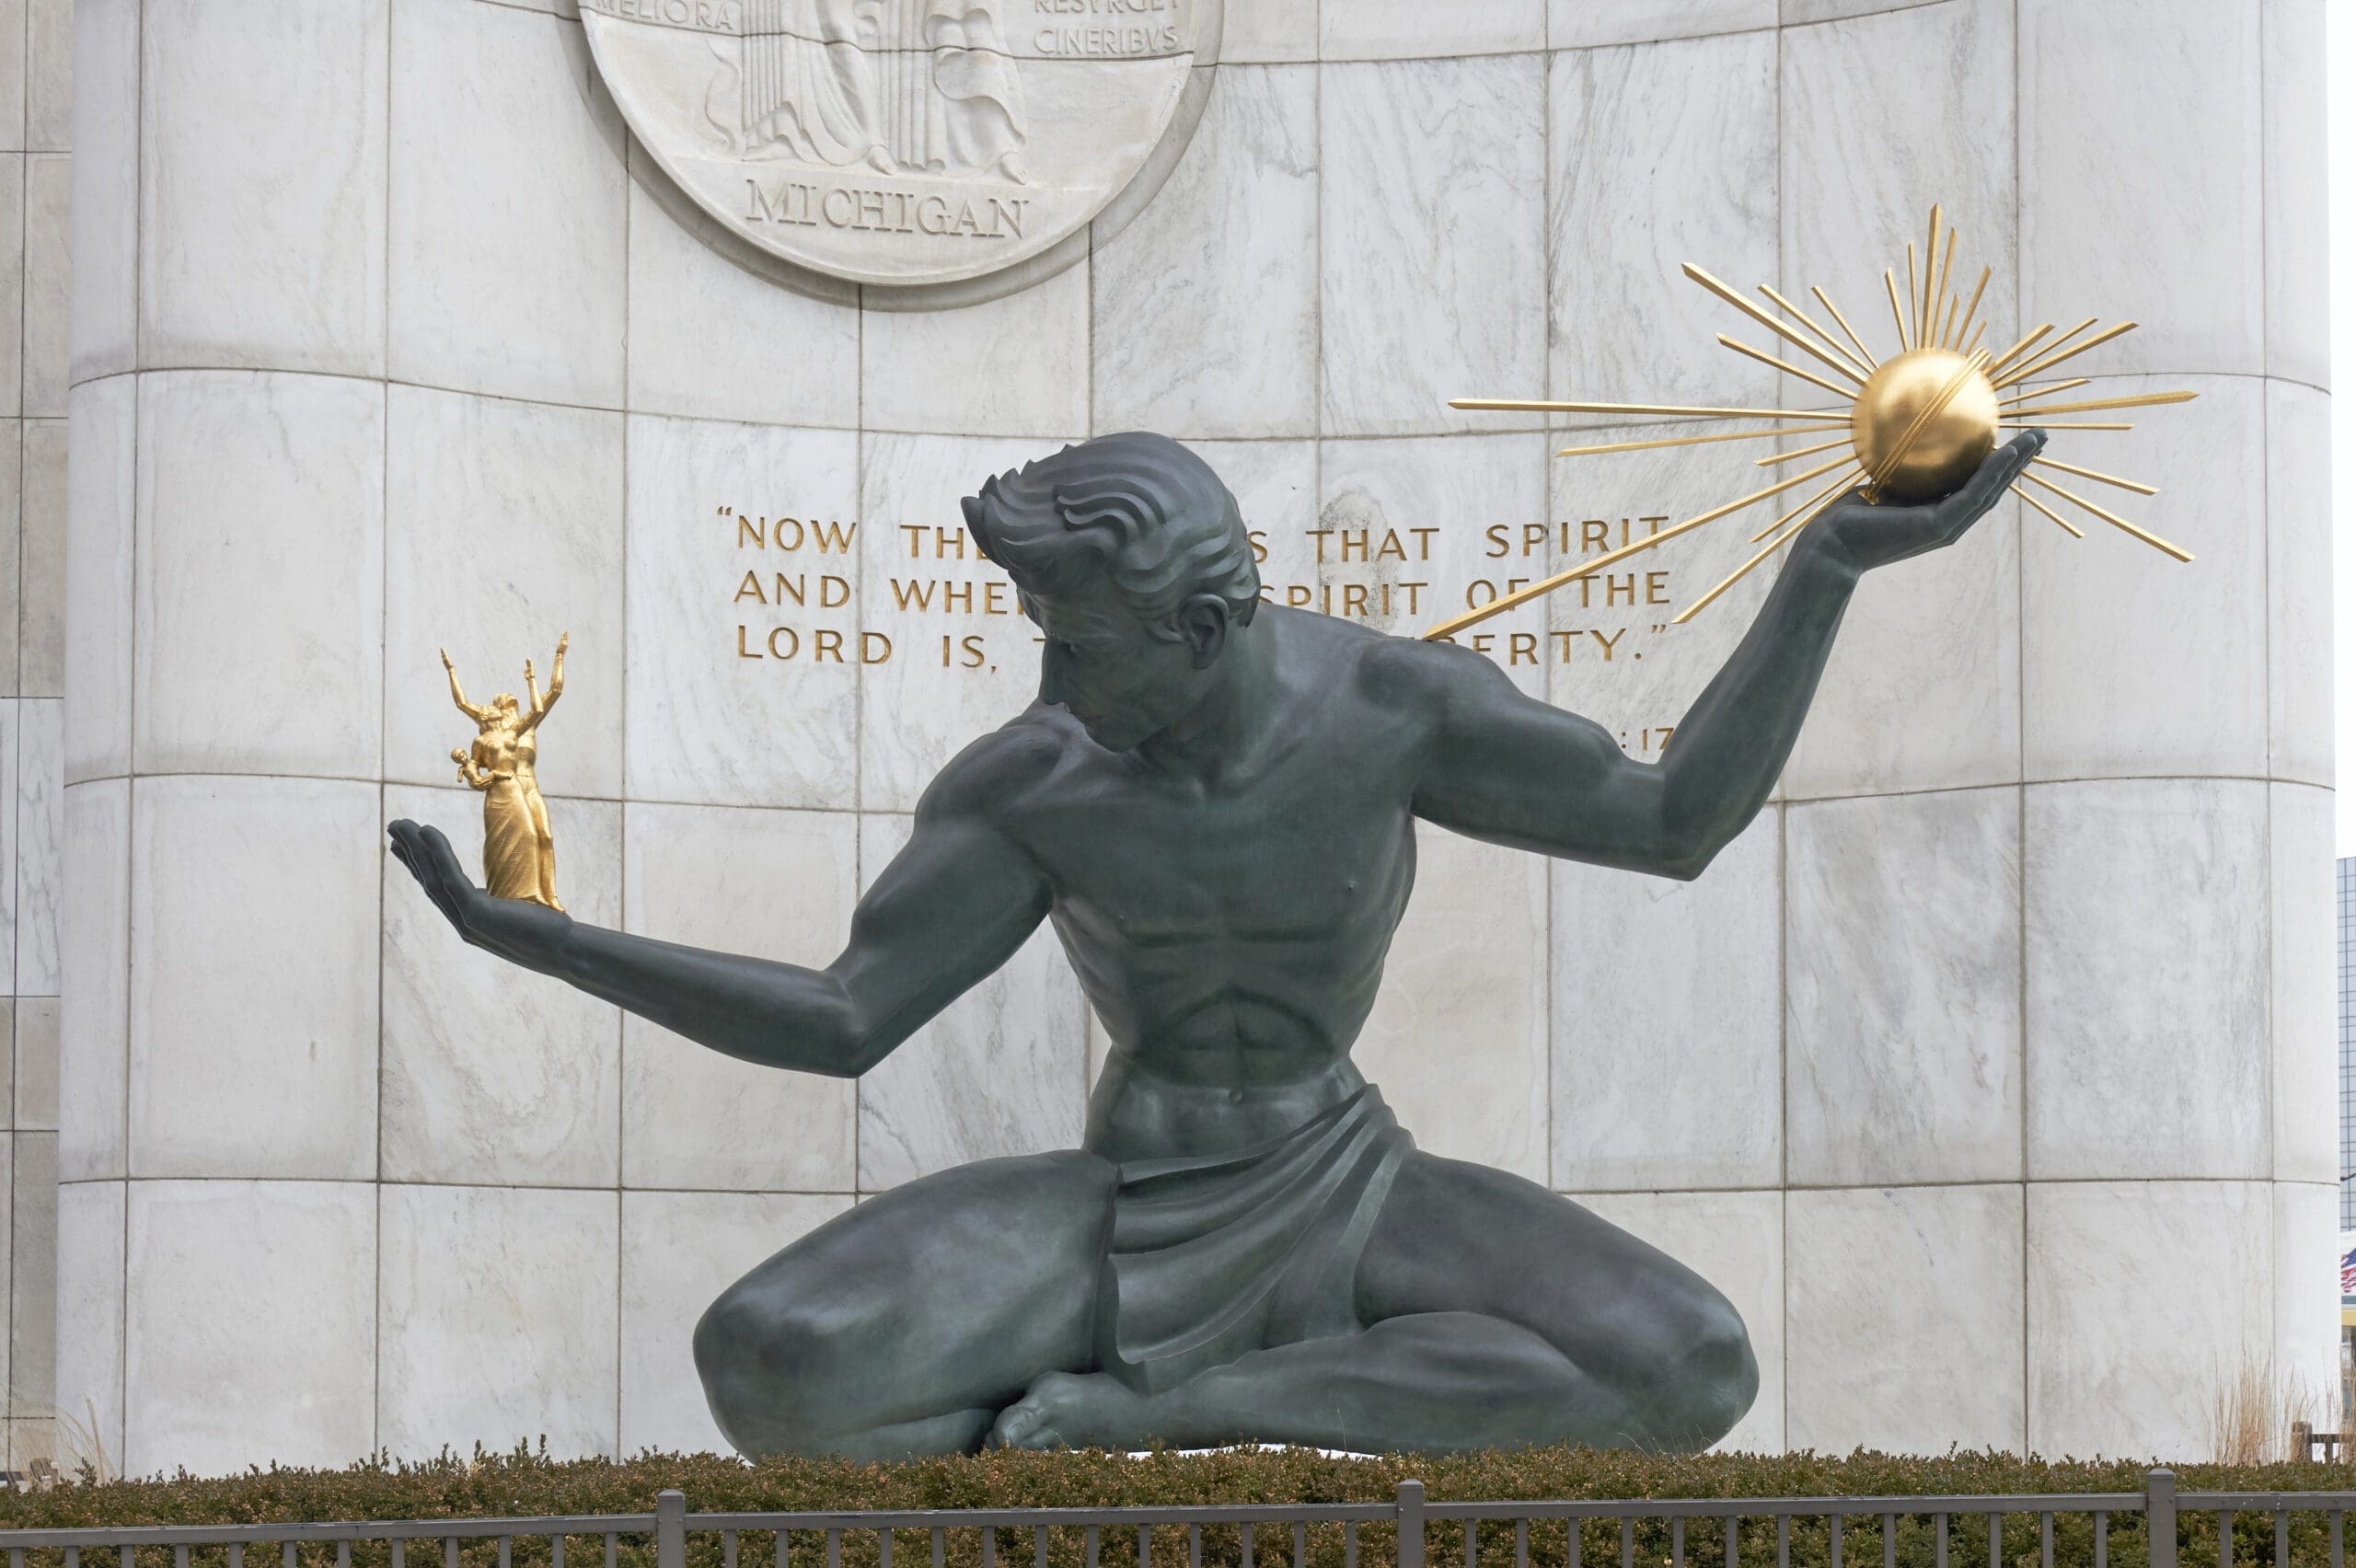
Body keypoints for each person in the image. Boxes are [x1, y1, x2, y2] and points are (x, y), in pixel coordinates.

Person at [390, 429, 2042, 1458]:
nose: (1044, 676)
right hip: (1127, 1199)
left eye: (1073, 636)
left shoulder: (1396, 711)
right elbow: (843, 1017)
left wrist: (1828, 567)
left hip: (1351, 1181)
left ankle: (1180, 1408)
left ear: (1199, 627)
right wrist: (537, 937)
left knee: (1689, 1363)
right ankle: (1206, 1386)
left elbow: (1674, 819)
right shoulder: (1034, 782)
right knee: (770, 1362)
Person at [442, 635, 567, 913]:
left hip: (528, 784)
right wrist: (451, 671)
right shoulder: (490, 729)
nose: (504, 701)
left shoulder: (525, 727)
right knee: (518, 836)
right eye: (500, 702)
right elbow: (462, 703)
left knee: (543, 835)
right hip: (506, 786)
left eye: (508, 700)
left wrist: (558, 656)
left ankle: (548, 894)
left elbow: (554, 691)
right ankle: (515, 891)